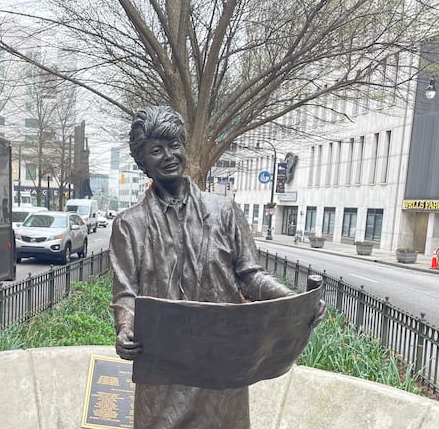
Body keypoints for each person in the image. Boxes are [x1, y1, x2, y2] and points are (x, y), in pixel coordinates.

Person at [109, 105, 326, 428]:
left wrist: (294, 302)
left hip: (222, 362)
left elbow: (251, 275)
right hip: (164, 364)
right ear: (143, 162)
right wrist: (125, 327)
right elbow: (126, 293)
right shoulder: (130, 225)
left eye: (174, 145)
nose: (168, 155)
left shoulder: (224, 211)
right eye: (156, 150)